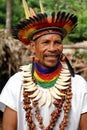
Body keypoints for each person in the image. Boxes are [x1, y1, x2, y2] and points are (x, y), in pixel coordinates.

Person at [0, 0, 87, 130]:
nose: (52, 48)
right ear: (33, 47)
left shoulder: (79, 85)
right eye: (45, 42)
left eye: (57, 42)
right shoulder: (16, 84)